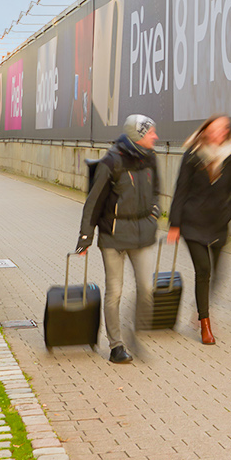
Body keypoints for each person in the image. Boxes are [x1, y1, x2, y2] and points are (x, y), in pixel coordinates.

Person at [76, 113, 160, 363]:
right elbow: (93, 202)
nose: (156, 136)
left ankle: (135, 331)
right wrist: (85, 236)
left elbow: (156, 190)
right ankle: (116, 346)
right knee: (115, 291)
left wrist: (154, 212)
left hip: (141, 233)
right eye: (151, 132)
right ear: (139, 135)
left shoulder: (151, 159)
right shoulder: (112, 161)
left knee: (146, 288)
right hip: (113, 235)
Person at [166, 113, 231, 345]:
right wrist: (175, 224)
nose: (218, 132)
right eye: (215, 128)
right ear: (206, 130)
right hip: (193, 223)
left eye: (223, 129)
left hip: (219, 223)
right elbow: (180, 190)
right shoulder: (193, 155)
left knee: (217, 274)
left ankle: (201, 308)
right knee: (204, 270)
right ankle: (205, 324)